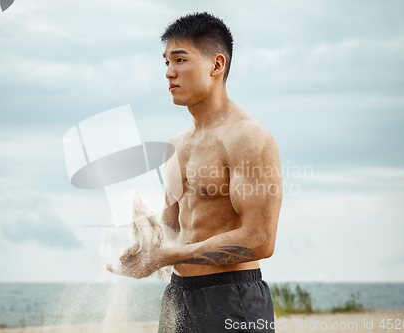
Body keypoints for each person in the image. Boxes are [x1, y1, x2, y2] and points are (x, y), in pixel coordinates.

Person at [107, 12, 282, 333]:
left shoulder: (248, 137)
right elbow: (174, 228)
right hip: (178, 294)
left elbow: (260, 239)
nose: (169, 72)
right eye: (165, 62)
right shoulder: (176, 144)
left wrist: (164, 256)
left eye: (180, 60)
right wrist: (147, 244)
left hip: (232, 295)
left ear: (217, 65)